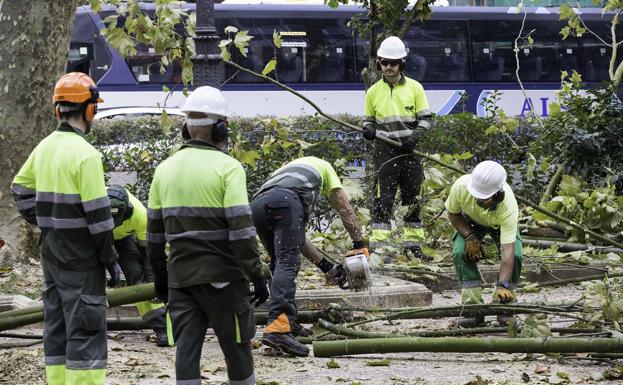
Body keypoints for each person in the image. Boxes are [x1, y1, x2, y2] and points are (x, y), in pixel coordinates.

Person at [147, 86, 268, 385]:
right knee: (237, 350)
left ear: (186, 129)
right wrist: (257, 275)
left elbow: (153, 238)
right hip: (224, 279)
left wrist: (162, 279)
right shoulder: (229, 169)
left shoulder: (164, 170)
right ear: (221, 129)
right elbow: (241, 233)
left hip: (181, 280)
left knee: (186, 352)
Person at [11, 72, 120, 385]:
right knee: (86, 330)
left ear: (57, 109)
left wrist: (49, 220)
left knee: (56, 327)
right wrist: (110, 259)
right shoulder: (87, 156)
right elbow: (100, 220)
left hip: (53, 253)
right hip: (83, 259)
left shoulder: (44, 147)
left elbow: (19, 190)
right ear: (89, 110)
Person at [251, 156, 366, 357]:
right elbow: (344, 208)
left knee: (280, 263)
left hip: (258, 204)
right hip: (285, 201)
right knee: (287, 263)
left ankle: (288, 323)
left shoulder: (284, 173)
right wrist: (359, 244)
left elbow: (299, 240)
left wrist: (326, 267)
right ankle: (278, 327)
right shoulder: (324, 167)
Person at [362, 36, 432, 259]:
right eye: (384, 63)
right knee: (384, 200)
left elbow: (426, 120)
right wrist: (368, 131)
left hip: (410, 152)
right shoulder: (373, 91)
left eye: (393, 63)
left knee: (412, 201)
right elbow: (368, 121)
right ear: (379, 64)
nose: (388, 67)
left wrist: (414, 138)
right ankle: (381, 248)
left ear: (402, 63)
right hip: (385, 152)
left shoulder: (415, 88)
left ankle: (413, 248)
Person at [445, 160, 523, 327]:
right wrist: (469, 236)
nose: (477, 200)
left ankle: (503, 306)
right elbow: (453, 214)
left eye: (483, 198)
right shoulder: (460, 186)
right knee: (460, 253)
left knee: (516, 255)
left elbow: (507, 251)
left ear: (497, 194)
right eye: (476, 195)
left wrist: (504, 284)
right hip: (471, 221)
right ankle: (473, 309)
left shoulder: (508, 207)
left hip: (498, 224)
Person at [107, 185, 172, 347]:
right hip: (97, 236)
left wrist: (154, 285)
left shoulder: (140, 215)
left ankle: (161, 327)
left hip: (125, 238)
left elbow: (150, 255)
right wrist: (109, 263)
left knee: (137, 278)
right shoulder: (92, 207)